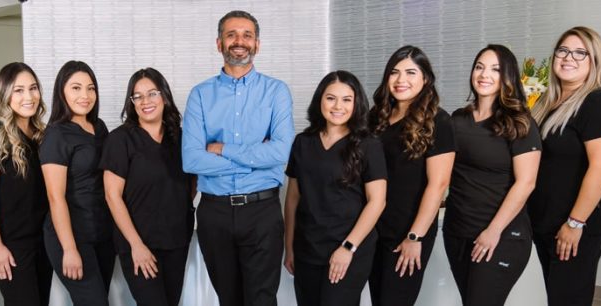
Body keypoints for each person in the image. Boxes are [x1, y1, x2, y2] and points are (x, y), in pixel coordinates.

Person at [182, 10, 295, 306]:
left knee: (261, 300)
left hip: (262, 212)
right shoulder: (200, 95)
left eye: (247, 35)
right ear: (219, 43)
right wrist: (257, 157)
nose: (239, 41)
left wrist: (224, 150)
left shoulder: (276, 92)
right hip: (214, 214)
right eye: (231, 35)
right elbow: (191, 161)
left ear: (257, 44)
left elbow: (281, 152)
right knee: (228, 300)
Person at [527, 27, 601, 306]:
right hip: (544, 221)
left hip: (576, 224)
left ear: (595, 61)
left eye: (580, 52)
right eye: (563, 50)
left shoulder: (599, 103)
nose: (569, 58)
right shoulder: (545, 104)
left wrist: (575, 223)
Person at [444, 44, 541, 306]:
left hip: (501, 235)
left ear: (507, 77)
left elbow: (526, 182)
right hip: (457, 232)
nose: (484, 74)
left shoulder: (519, 123)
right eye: (479, 67)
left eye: (495, 69)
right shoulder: (457, 120)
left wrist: (493, 231)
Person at [283, 70, 386, 306]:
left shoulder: (368, 145)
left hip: (349, 249)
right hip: (308, 248)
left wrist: (348, 248)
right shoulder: (303, 142)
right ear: (320, 100)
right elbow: (292, 199)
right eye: (331, 98)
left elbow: (377, 201)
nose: (338, 106)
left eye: (347, 99)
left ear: (356, 103)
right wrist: (289, 247)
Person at [366, 45, 455, 306]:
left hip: (407, 232)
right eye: (394, 72)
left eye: (410, 73)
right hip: (373, 230)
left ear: (425, 79)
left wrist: (415, 237)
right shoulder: (376, 118)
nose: (401, 80)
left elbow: (438, 185)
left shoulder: (438, 121)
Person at [100, 68, 195, 306]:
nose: (146, 101)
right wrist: (136, 245)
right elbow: (112, 196)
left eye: (152, 93)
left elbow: (190, 184)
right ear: (131, 102)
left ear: (164, 95)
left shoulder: (181, 138)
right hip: (139, 243)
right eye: (138, 96)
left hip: (176, 240)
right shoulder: (120, 140)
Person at [0, 62, 53, 305]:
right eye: (18, 90)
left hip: (41, 240)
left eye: (33, 88)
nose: (28, 97)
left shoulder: (43, 134)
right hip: (10, 241)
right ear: (5, 94)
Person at [40, 60, 113, 305]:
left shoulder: (99, 127)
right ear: (62, 91)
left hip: (102, 231)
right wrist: (69, 249)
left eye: (91, 88)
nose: (85, 95)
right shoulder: (57, 134)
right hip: (71, 235)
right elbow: (55, 197)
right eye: (76, 88)